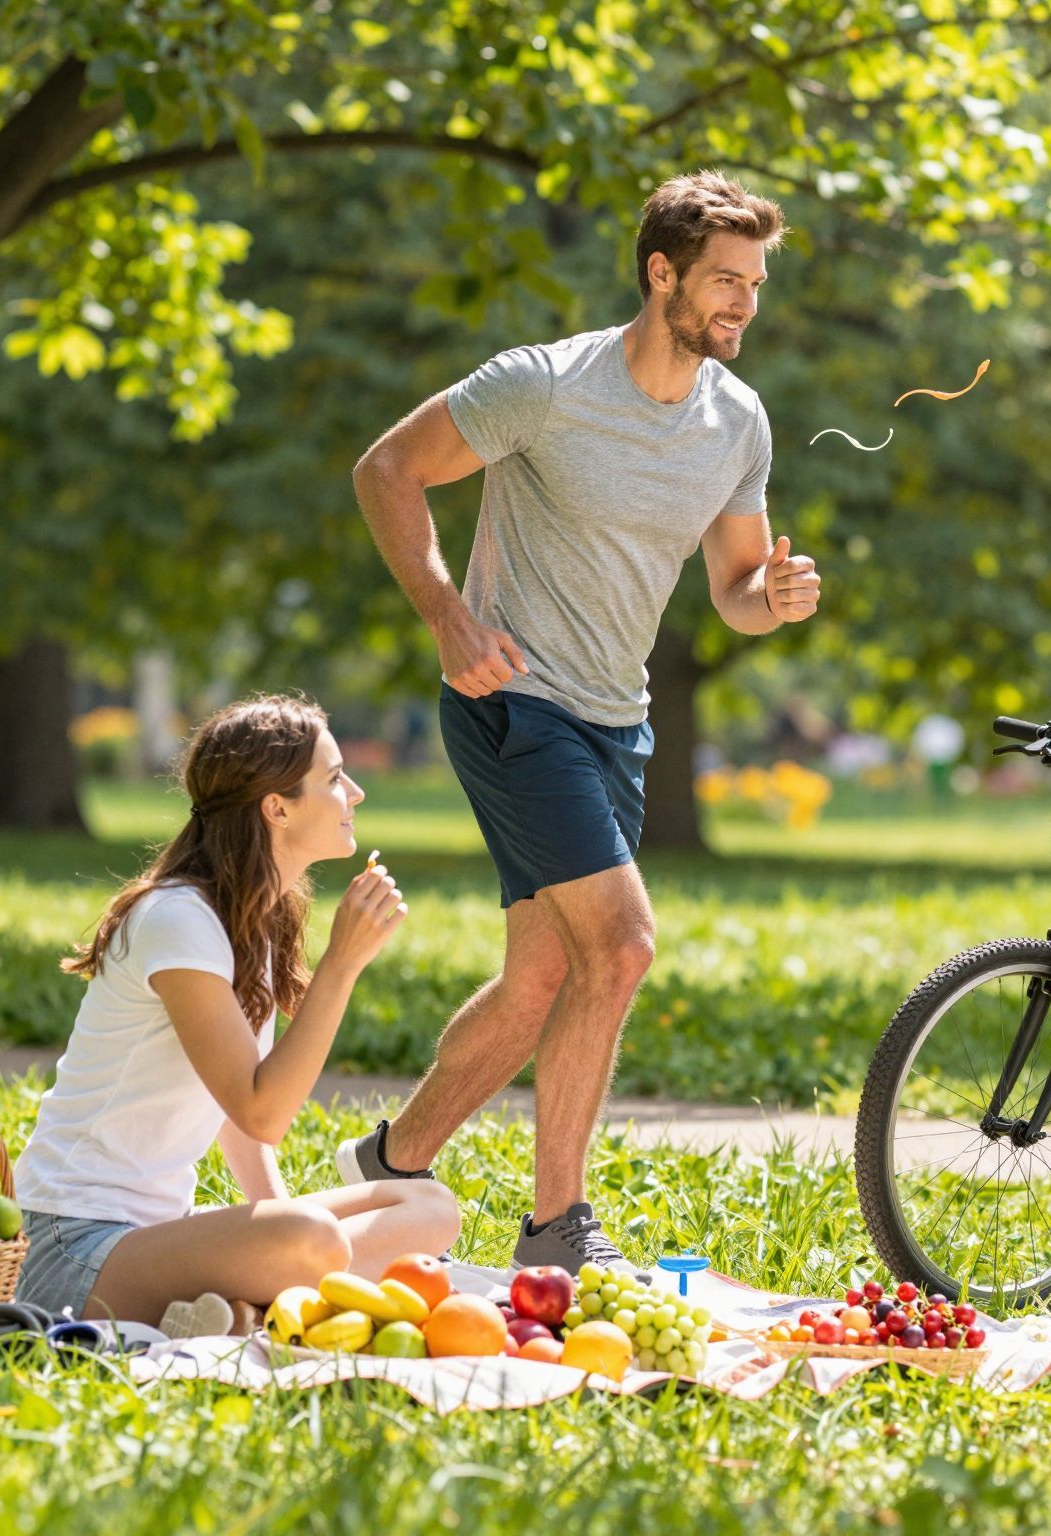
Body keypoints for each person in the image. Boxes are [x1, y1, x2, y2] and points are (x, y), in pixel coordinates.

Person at [346, 171, 819, 1273]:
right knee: (621, 947)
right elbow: (387, 470)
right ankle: (556, 1227)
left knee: (540, 983)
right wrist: (447, 617)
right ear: (661, 274)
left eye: (755, 284)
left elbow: (736, 589)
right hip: (512, 699)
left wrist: (777, 600)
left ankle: (390, 1163)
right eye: (725, 281)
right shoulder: (546, 385)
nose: (744, 304)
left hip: (617, 721)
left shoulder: (737, 420)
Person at [13, 696, 459, 1328]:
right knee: (312, 1238)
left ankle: (253, 1298)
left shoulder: (253, 918)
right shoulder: (177, 919)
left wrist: (274, 1225)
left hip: (159, 1233)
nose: (355, 793)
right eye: (335, 778)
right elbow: (261, 1112)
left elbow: (233, 1110)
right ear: (277, 808)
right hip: (73, 1247)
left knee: (430, 1206)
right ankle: (266, 1296)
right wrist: (341, 964)